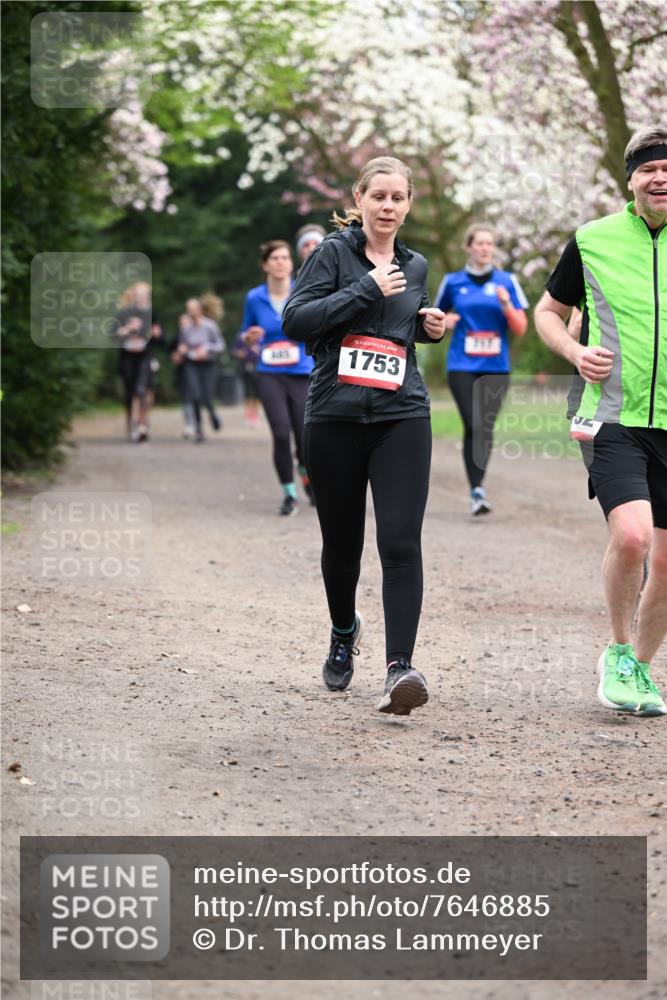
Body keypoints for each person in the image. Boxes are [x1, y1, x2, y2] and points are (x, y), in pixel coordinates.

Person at [283, 156, 446, 716]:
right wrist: (365, 289)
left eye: (398, 198)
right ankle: (343, 629)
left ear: (409, 204)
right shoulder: (332, 254)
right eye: (379, 196)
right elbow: (297, 321)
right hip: (334, 416)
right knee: (342, 545)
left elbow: (398, 328)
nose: (388, 207)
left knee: (400, 542)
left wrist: (427, 325)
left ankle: (400, 668)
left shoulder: (415, 264)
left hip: (403, 415)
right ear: (360, 198)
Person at [535, 124, 667, 718]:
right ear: (630, 180)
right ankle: (616, 650)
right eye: (649, 169)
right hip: (612, 413)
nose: (660, 178)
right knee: (634, 536)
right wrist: (574, 351)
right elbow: (548, 311)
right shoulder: (592, 240)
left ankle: (640, 666)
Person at [435, 224, 528, 515]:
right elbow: (434, 319)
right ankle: (477, 490)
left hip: (496, 367)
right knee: (474, 425)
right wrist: (444, 321)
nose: (485, 248)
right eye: (480, 243)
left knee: (484, 427)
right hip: (461, 364)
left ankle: (478, 487)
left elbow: (521, 328)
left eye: (490, 243)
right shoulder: (452, 282)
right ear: (469, 247)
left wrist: (506, 305)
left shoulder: (507, 281)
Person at [240, 241, 314, 514]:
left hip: (301, 372)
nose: (281, 262)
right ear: (265, 265)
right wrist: (249, 337)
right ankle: (289, 494)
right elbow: (244, 332)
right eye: (275, 258)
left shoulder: (304, 291)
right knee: (281, 434)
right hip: (269, 373)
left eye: (285, 257)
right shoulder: (254, 297)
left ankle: (305, 472)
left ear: (292, 264)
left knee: (305, 436)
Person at [112, 281, 162, 442]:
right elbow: (113, 335)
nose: (141, 297)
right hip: (128, 358)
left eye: (144, 294)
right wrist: (127, 329)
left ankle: (142, 423)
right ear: (133, 296)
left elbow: (161, 340)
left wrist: (156, 334)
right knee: (129, 393)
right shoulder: (123, 314)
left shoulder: (152, 314)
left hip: (145, 357)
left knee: (142, 390)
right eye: (138, 294)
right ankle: (131, 423)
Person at [173, 296, 224, 443]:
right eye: (189, 309)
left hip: (208, 364)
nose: (191, 312)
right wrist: (181, 350)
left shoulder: (210, 326)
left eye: (193, 309)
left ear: (200, 309)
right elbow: (182, 345)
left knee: (207, 397)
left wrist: (207, 348)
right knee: (195, 396)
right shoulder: (186, 329)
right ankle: (199, 430)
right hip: (191, 364)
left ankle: (213, 414)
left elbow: (220, 345)